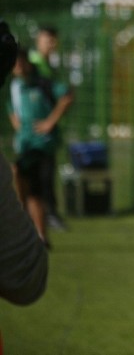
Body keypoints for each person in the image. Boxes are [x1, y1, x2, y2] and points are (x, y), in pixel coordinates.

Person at [0, 21, 49, 307]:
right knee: (30, 192)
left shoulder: (38, 83)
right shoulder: (19, 88)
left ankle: (44, 231)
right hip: (27, 146)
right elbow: (27, 278)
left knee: (37, 194)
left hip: (39, 148)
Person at [8, 48, 73, 248]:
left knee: (37, 188)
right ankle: (37, 234)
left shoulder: (43, 83)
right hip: (26, 145)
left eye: (20, 62)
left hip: (44, 145)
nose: (18, 67)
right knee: (26, 183)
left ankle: (39, 234)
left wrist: (50, 122)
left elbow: (67, 95)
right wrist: (19, 128)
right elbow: (12, 109)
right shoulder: (14, 86)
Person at [28, 25, 73, 231]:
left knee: (45, 175)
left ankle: (47, 216)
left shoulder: (48, 66)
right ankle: (46, 216)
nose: (51, 44)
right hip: (34, 132)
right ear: (39, 40)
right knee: (37, 178)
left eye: (54, 41)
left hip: (46, 131)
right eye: (48, 40)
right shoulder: (33, 65)